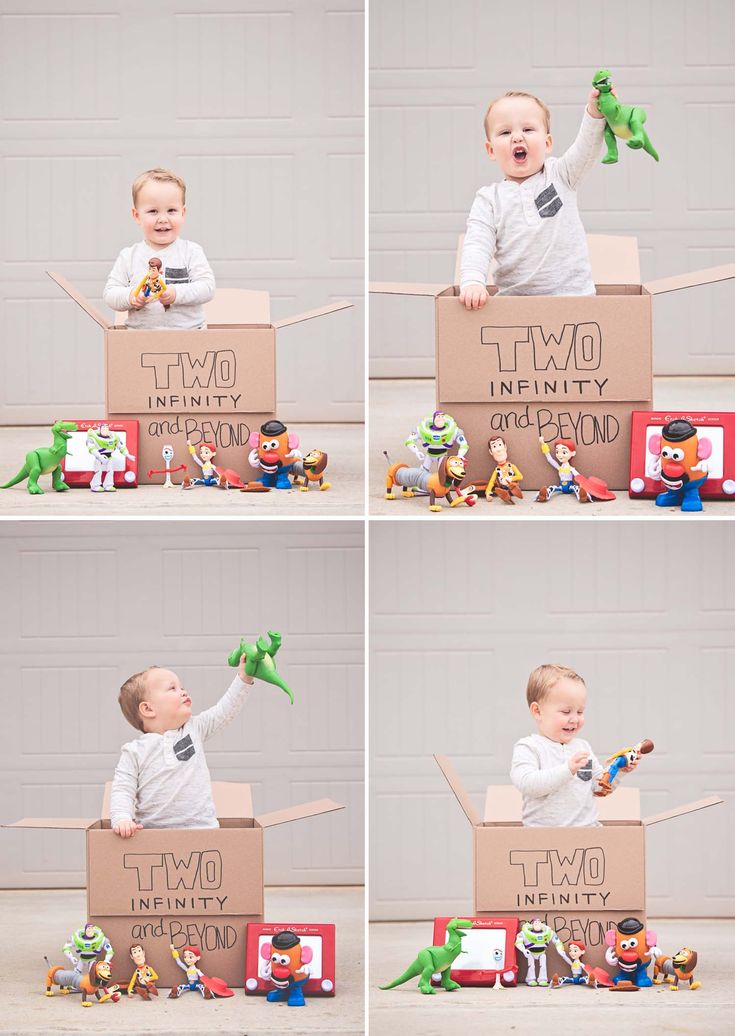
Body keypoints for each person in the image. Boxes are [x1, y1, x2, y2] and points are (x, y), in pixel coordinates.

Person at [459, 85, 607, 307]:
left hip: (574, 299)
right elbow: (477, 243)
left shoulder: (560, 175)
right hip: (516, 306)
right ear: (491, 150)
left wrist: (595, 113)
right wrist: (473, 281)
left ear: (547, 143)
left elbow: (586, 149)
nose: (517, 137)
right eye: (505, 132)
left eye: (528, 130)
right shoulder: (489, 200)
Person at [110, 655, 254, 837]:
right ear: (148, 709)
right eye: (172, 688)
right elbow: (123, 788)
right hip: (153, 836)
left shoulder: (194, 729)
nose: (183, 692)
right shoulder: (134, 752)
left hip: (203, 832)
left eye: (182, 687)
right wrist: (122, 818)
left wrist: (244, 678)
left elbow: (224, 710)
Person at [510, 664, 636, 826]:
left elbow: (599, 788)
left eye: (580, 712)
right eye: (566, 712)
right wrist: (567, 769)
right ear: (537, 711)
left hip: (586, 833)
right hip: (543, 838)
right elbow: (529, 785)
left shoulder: (582, 748)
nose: (575, 719)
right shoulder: (529, 747)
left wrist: (617, 770)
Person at [103, 167, 215, 329]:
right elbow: (110, 294)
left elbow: (207, 288)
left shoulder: (191, 252)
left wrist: (176, 293)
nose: (163, 219)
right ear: (137, 215)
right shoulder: (129, 256)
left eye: (171, 210)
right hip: (142, 340)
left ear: (183, 213)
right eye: (153, 211)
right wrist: (132, 296)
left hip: (190, 338)